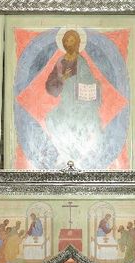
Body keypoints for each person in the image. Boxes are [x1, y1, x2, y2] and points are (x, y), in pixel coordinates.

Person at [43, 30, 103, 166]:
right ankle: (65, 153)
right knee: (52, 120)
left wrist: (93, 84)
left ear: (77, 43)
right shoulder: (60, 62)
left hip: (79, 103)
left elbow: (89, 80)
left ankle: (78, 154)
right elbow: (50, 86)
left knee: (80, 125)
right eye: (66, 41)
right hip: (65, 102)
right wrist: (61, 79)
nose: (69, 44)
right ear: (63, 43)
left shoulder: (81, 62)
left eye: (72, 41)